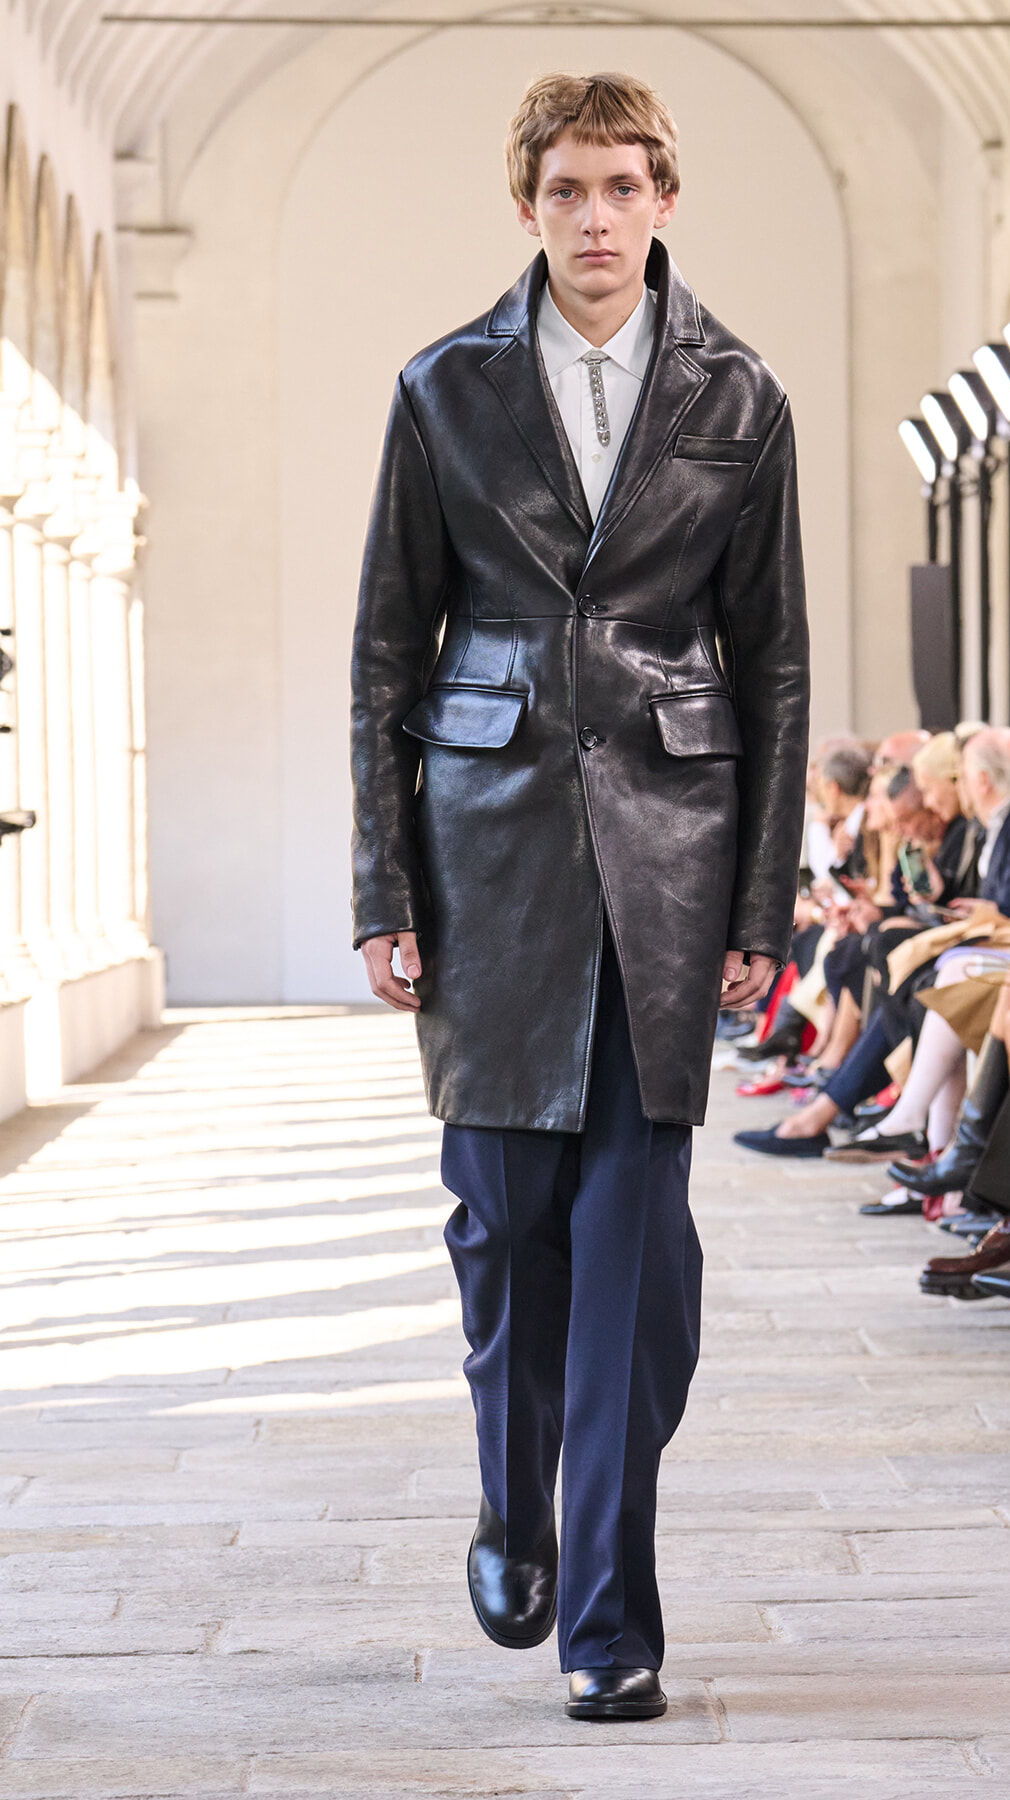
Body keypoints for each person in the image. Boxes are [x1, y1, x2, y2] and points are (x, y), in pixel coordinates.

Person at [349, 72, 809, 1722]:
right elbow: (386, 650)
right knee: (502, 1224)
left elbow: (773, 664)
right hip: (485, 851)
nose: (595, 216)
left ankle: (610, 1614)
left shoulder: (740, 396)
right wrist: (381, 882)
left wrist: (761, 905)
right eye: (566, 189)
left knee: (633, 1246)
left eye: (622, 186)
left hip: (672, 856)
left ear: (664, 198)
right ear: (528, 204)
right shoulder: (444, 388)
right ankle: (515, 1495)